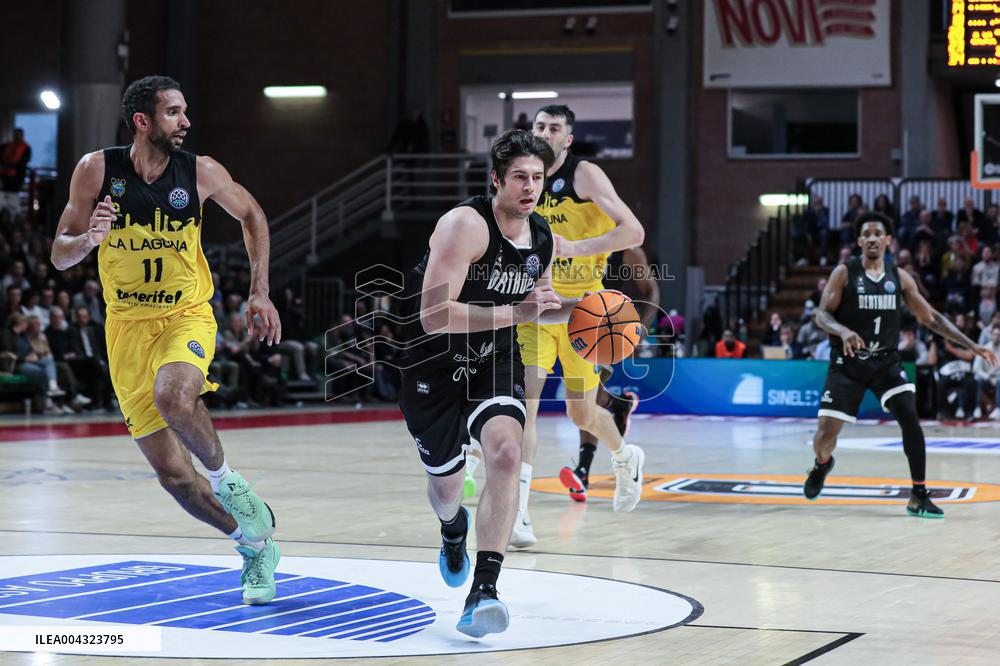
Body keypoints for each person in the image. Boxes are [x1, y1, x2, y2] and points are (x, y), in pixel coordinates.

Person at [49, 76, 282, 604]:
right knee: (175, 479)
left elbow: (252, 214)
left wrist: (259, 291)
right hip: (125, 329)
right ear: (142, 121)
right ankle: (252, 543)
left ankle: (230, 483)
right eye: (174, 113)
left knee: (175, 396)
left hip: (186, 314)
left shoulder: (199, 171)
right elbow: (59, 254)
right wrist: (88, 239)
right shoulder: (95, 170)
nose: (186, 122)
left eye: (184, 111)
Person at [396, 129, 560, 637]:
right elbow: (432, 315)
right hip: (432, 366)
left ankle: (483, 591)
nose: (530, 187)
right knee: (446, 491)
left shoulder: (543, 239)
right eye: (519, 178)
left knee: (507, 453)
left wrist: (600, 320)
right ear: (496, 179)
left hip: (495, 359)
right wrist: (518, 310)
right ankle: (452, 529)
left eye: (538, 178)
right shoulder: (465, 225)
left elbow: (542, 307)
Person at [805, 212, 998, 517]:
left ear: (888, 240)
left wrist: (972, 344)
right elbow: (821, 315)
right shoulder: (844, 273)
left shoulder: (900, 278)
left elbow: (931, 318)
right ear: (859, 241)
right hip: (848, 364)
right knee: (825, 437)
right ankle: (822, 464)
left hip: (885, 362)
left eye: (877, 234)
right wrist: (842, 330)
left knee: (910, 417)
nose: (871, 238)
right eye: (865, 234)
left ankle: (918, 494)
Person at [515, 104, 646, 548]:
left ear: (567, 139)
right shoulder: (521, 178)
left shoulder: (583, 175)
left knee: (581, 413)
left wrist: (574, 246)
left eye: (554, 128)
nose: (545, 132)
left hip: (583, 313)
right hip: (535, 309)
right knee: (523, 409)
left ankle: (625, 457)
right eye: (539, 126)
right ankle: (519, 513)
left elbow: (634, 232)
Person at [566, 244, 660, 502]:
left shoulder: (627, 250)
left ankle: (582, 471)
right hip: (569, 325)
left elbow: (651, 289)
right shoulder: (571, 240)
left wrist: (641, 326)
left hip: (608, 332)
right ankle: (619, 405)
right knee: (580, 401)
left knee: (590, 399)